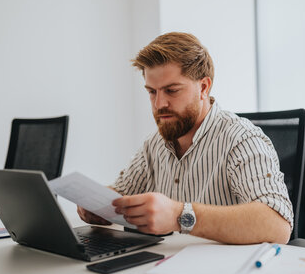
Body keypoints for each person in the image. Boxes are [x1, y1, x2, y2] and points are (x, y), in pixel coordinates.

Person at [77, 32, 293, 244]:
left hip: (224, 273)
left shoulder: (241, 139)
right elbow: (122, 193)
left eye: (171, 90)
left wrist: (178, 216)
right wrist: (97, 204)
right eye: (152, 92)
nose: (159, 104)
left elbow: (277, 225)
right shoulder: (155, 144)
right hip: (162, 268)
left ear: (204, 87)